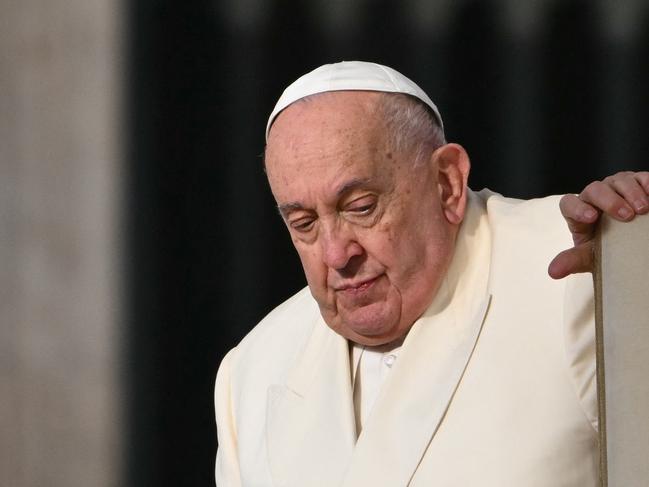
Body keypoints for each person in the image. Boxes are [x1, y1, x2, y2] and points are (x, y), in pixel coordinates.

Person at [214, 61, 649, 486]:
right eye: (304, 224)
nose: (335, 254)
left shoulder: (577, 264)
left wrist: (634, 259)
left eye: (361, 207)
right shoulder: (253, 373)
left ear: (447, 183)